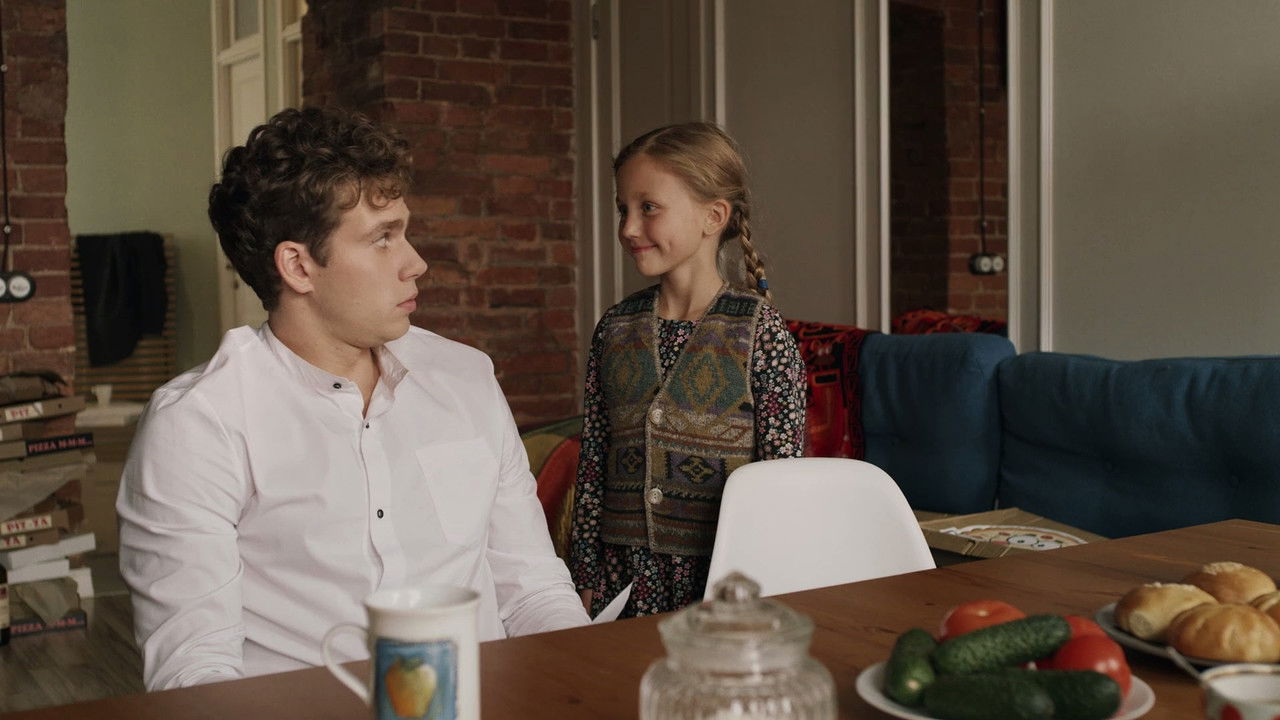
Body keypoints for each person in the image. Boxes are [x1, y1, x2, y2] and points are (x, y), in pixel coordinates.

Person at [117, 107, 588, 690]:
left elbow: (533, 590)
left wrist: (585, 687)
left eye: (404, 232)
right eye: (383, 238)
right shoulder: (199, 423)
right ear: (298, 266)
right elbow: (195, 669)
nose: (416, 263)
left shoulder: (467, 378)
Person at [567, 122, 807, 618]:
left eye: (648, 208)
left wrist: (770, 586)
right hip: (621, 582)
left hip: (722, 584)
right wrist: (583, 576)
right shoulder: (614, 328)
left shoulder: (760, 333)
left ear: (712, 216)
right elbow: (593, 462)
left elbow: (782, 483)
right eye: (623, 209)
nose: (628, 228)